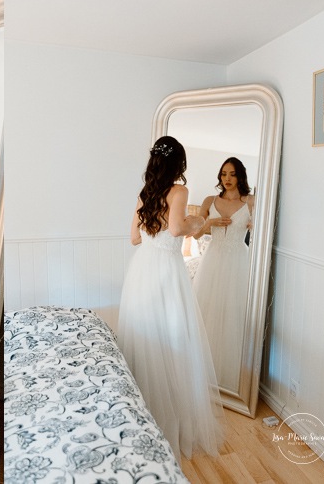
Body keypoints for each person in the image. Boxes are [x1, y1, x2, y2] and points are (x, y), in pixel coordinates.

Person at [117, 136, 224, 461]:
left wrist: (163, 228)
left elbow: (135, 238)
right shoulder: (180, 191)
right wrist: (198, 222)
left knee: (147, 337)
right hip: (166, 270)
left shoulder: (144, 193)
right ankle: (173, 418)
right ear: (178, 163)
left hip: (142, 271)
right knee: (175, 338)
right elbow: (177, 230)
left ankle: (145, 414)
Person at [191, 157, 254, 391]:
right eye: (224, 174)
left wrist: (255, 225)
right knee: (209, 310)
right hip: (214, 258)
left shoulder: (251, 202)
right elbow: (195, 236)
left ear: (240, 177)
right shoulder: (209, 200)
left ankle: (232, 375)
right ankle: (205, 371)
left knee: (233, 313)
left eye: (232, 174)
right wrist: (209, 224)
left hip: (238, 259)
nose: (227, 179)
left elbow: (264, 231)